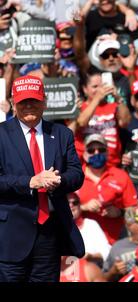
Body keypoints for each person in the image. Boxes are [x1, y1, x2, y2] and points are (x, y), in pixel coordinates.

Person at [0, 75, 85, 282]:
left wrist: (59, 180)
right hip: (11, 233)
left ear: (44, 102)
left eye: (34, 100)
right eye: (22, 101)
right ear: (12, 103)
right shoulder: (1, 135)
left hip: (50, 231)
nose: (29, 105)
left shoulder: (61, 134)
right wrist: (30, 182)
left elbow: (76, 173)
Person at [78, 134, 138, 244]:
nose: (96, 153)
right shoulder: (75, 177)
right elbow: (63, 210)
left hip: (115, 241)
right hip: (84, 242)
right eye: (91, 150)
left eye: (101, 149)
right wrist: (83, 207)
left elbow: (133, 209)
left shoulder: (121, 176)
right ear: (85, 154)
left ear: (107, 152)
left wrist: (119, 212)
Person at [68, 192, 111, 265]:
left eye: (75, 202)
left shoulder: (91, 224)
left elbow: (106, 251)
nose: (71, 205)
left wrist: (91, 256)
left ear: (79, 205)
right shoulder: (56, 227)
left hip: (91, 269)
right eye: (67, 202)